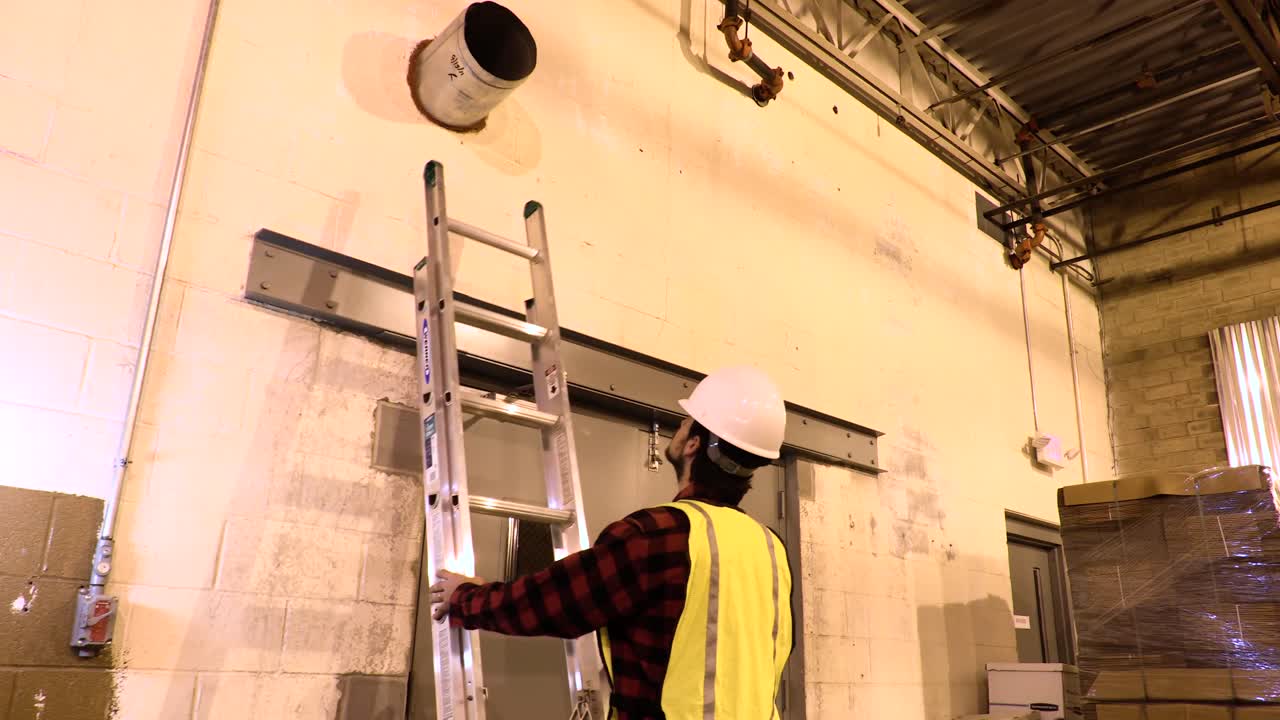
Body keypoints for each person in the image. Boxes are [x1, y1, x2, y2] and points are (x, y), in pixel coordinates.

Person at [430, 365, 794, 719]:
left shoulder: (655, 535)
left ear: (693, 445)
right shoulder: (772, 549)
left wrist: (466, 598)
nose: (678, 427)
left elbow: (553, 603)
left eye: (684, 422)